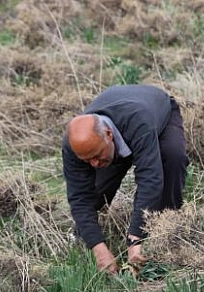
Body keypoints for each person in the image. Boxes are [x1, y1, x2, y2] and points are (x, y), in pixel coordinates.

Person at [62, 84, 189, 274]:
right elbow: (80, 197)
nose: (94, 164)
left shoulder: (138, 121)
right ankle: (84, 237)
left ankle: (166, 229)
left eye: (96, 156)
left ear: (108, 135)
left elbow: (150, 179)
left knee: (172, 158)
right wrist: (98, 246)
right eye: (87, 160)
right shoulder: (76, 145)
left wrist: (135, 238)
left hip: (157, 114)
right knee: (96, 191)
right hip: (118, 136)